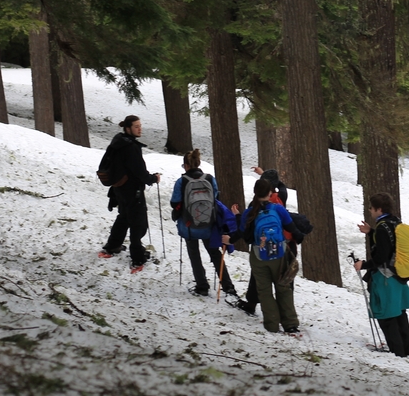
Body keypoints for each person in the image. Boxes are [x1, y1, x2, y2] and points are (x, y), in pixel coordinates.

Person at [233, 178, 300, 334]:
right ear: (270, 193)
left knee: (264, 291)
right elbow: (292, 228)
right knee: (283, 287)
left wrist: (230, 236)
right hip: (279, 254)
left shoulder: (250, 212)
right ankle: (290, 324)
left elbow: (241, 232)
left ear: (255, 193)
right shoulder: (278, 209)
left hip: (259, 256)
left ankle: (272, 325)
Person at [354, 193, 409, 357]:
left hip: (385, 276)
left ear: (378, 209)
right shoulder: (395, 222)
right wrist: (370, 232)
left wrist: (363, 265)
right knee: (400, 313)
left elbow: (381, 256)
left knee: (387, 315)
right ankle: (407, 352)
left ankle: (398, 354)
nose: (370, 210)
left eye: (372, 208)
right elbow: (390, 243)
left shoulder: (382, 227)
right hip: (397, 276)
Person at [169, 149, 237, 298]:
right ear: (198, 163)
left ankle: (202, 286)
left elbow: (174, 202)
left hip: (188, 225)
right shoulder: (210, 179)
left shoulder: (182, 182)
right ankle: (228, 286)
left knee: (194, 253)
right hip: (208, 223)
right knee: (214, 253)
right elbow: (215, 197)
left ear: (186, 165)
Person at [98, 116, 160, 270]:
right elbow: (139, 171)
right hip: (132, 190)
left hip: (119, 188)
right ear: (128, 128)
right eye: (136, 126)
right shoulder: (130, 147)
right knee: (137, 222)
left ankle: (113, 246)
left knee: (124, 217)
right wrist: (153, 178)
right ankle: (138, 257)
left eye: (140, 126)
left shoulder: (118, 141)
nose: (140, 129)